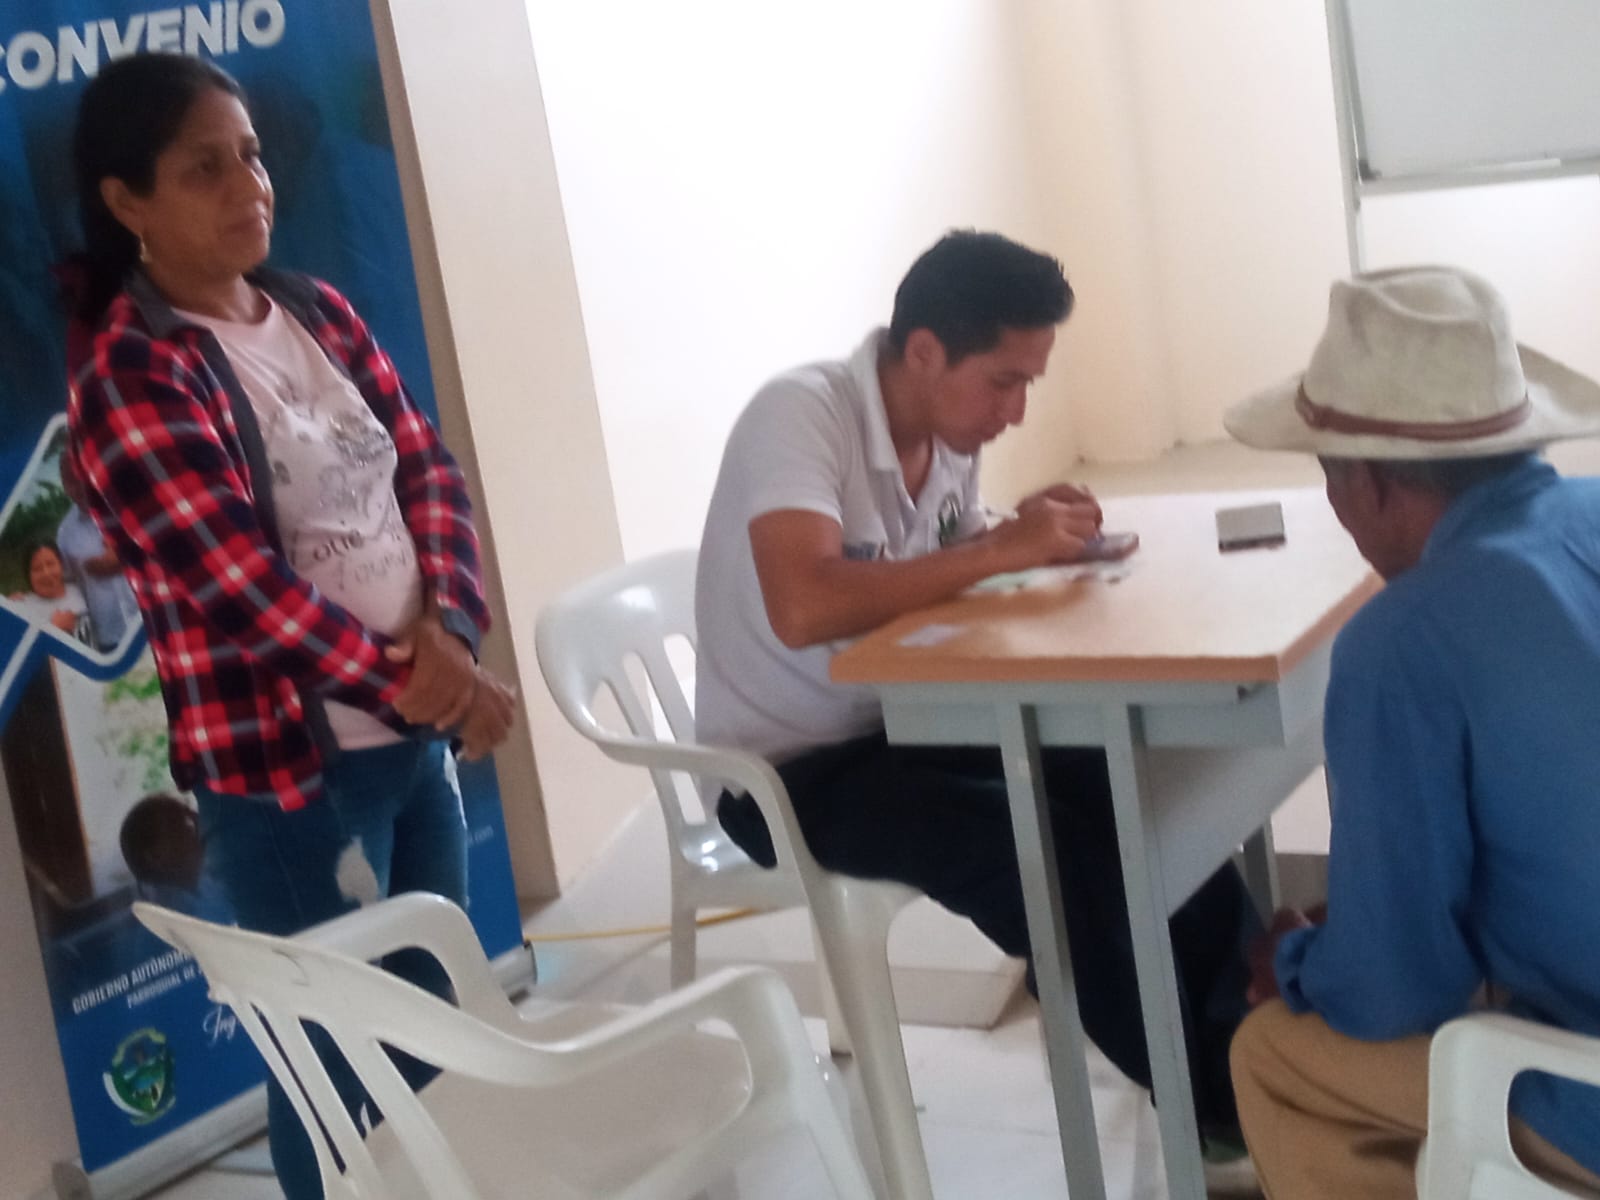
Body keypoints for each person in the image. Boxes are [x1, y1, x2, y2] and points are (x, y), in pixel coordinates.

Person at [697, 229, 1261, 1168]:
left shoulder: (945, 436)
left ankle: (1266, 1037)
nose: (1017, 409)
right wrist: (1000, 551)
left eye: (1029, 383)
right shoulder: (800, 415)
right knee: (1039, 854)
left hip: (910, 720)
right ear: (924, 351)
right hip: (790, 772)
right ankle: (1224, 1103)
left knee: (1133, 785)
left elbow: (938, 562)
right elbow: (805, 605)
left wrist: (1023, 531)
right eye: (1004, 381)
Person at [64, 52, 516, 1200]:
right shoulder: (132, 373)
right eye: (204, 168)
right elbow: (238, 588)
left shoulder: (315, 311)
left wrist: (452, 630)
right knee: (328, 1057)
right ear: (127, 202)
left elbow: (424, 467)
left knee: (428, 1018)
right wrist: (435, 684)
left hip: (411, 742)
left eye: (252, 156)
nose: (248, 186)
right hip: (285, 782)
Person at [1223, 265, 1600, 1197]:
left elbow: (1394, 990)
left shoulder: (1403, 640)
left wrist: (1297, 961)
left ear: (1364, 481)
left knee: (1275, 1057)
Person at [56, 454, 138, 651]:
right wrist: (26, 601)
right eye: (70, 481)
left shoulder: (125, 505)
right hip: (108, 638)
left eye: (80, 476)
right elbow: (65, 585)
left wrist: (124, 555)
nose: (78, 487)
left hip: (148, 622)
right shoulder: (65, 534)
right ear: (64, 487)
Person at [6, 542, 88, 638]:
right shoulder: (20, 609)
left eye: (50, 564)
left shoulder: (76, 589)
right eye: (37, 569)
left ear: (61, 564)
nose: (46, 573)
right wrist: (54, 629)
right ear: (28, 575)